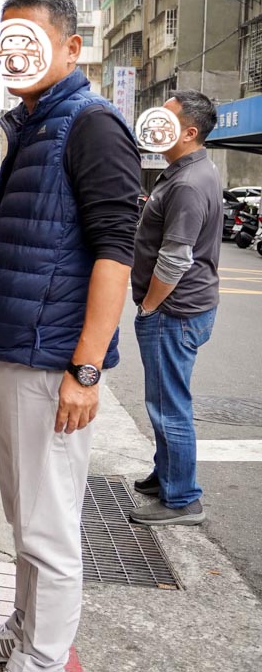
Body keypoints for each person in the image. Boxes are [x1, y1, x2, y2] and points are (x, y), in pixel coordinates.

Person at [0, 0, 141, 671]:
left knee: (50, 525)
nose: (16, 53)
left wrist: (86, 370)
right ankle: (24, 627)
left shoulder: (90, 123)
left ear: (71, 47)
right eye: (8, 41)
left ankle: (43, 656)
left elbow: (116, 253)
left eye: (30, 39)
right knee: (24, 515)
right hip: (15, 354)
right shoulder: (33, 124)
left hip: (54, 362)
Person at [129, 91, 220, 527]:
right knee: (164, 399)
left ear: (189, 131)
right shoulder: (187, 171)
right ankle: (167, 475)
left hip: (173, 311)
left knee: (168, 405)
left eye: (165, 119)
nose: (155, 126)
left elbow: (176, 258)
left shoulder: (187, 182)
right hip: (184, 307)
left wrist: (149, 306)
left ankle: (183, 498)